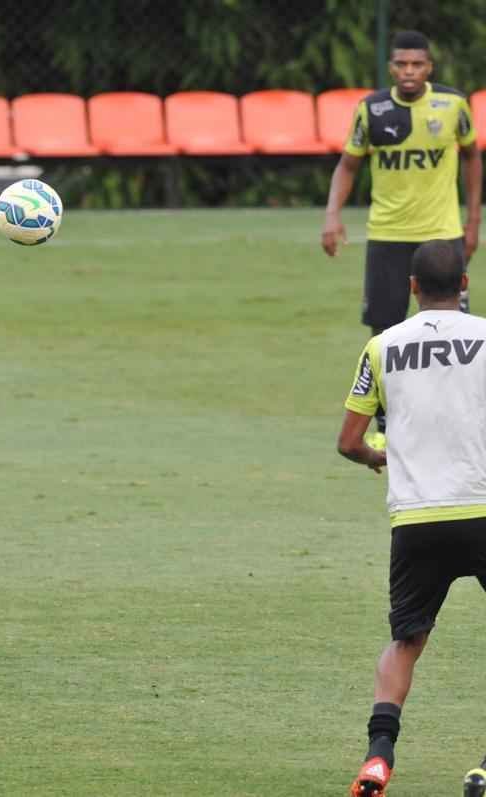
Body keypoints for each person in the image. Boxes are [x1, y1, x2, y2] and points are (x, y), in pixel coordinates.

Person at [338, 241, 486, 796]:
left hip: (417, 519)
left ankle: (378, 757)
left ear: (411, 287)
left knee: (405, 643)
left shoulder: (382, 346)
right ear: (465, 283)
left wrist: (381, 455)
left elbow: (349, 441)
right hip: (483, 506)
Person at [322, 29, 482, 450]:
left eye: (417, 65)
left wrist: (473, 220)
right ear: (391, 67)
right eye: (401, 65)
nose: (409, 72)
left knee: (455, 332)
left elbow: (471, 157)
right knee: (385, 333)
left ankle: (459, 418)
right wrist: (332, 215)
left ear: (429, 67)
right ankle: (386, 423)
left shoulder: (452, 106)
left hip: (442, 232)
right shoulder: (371, 109)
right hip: (388, 236)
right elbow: (348, 166)